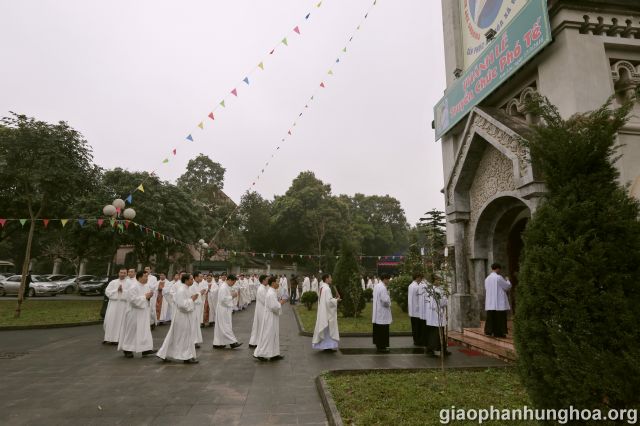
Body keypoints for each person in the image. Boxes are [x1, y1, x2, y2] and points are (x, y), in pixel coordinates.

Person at [156, 273, 199, 364]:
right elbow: (182, 305)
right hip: (181, 316)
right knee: (182, 336)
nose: (193, 281)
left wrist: (191, 299)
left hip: (185, 316)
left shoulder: (186, 289)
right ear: (186, 280)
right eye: (191, 279)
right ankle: (185, 356)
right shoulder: (181, 290)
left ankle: (164, 353)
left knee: (179, 336)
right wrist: (192, 300)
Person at [118, 271, 155, 358]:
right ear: (139, 277)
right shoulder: (133, 287)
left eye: (147, 277)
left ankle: (146, 349)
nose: (147, 278)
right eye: (145, 276)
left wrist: (149, 297)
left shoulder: (147, 286)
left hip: (143, 312)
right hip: (134, 312)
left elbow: (147, 299)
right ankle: (127, 349)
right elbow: (133, 300)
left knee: (144, 330)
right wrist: (145, 297)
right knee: (132, 331)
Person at [254, 276, 286, 361]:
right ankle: (260, 353)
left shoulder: (272, 291)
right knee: (268, 335)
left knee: (274, 335)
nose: (278, 284)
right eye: (277, 282)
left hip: (272, 317)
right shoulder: (271, 293)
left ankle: (274, 353)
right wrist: (281, 303)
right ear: (273, 283)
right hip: (270, 317)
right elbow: (274, 307)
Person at [213, 274, 243, 349]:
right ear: (229, 280)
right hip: (223, 309)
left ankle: (219, 343)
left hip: (225, 309)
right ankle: (232, 342)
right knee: (225, 326)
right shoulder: (223, 287)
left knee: (223, 326)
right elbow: (223, 300)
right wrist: (232, 296)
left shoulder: (227, 286)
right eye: (233, 282)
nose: (233, 284)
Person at [312, 274, 340, 351]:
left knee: (325, 330)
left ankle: (325, 346)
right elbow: (329, 302)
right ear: (326, 279)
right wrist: (336, 300)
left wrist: (333, 299)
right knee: (328, 329)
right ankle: (327, 346)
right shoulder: (327, 289)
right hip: (327, 313)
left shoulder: (322, 287)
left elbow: (326, 301)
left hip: (323, 311)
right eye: (330, 278)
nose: (331, 279)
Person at [484, 263, 512, 338]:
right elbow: (507, 287)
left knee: (491, 317)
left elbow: (486, 289)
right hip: (499, 302)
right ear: (498, 269)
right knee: (500, 318)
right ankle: (499, 333)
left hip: (490, 302)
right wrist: (508, 280)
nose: (500, 271)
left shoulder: (487, 278)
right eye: (499, 269)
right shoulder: (498, 277)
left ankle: (489, 331)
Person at [103, 268, 129, 345]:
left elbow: (131, 293)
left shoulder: (129, 283)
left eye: (124, 273)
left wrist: (123, 291)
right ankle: (108, 338)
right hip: (113, 304)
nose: (122, 274)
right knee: (110, 320)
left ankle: (118, 339)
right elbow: (107, 292)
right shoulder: (113, 282)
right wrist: (116, 290)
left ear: (126, 274)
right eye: (121, 272)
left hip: (123, 305)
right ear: (118, 273)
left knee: (120, 321)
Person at [424, 280, 450, 357]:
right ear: (434, 281)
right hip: (435, 314)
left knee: (438, 332)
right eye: (437, 280)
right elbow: (438, 303)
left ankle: (442, 349)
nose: (439, 281)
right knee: (435, 332)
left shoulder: (436, 289)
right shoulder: (434, 290)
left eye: (439, 280)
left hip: (435, 314)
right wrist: (445, 300)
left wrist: (445, 299)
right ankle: (432, 349)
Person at [372, 273, 392, 353]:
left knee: (378, 329)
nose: (389, 281)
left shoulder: (377, 286)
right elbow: (385, 300)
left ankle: (378, 344)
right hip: (383, 311)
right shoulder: (383, 288)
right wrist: (389, 303)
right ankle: (382, 346)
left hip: (377, 311)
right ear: (385, 279)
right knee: (383, 330)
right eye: (388, 280)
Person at [249, 275, 269, 349]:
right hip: (261, 310)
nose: (268, 281)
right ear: (263, 280)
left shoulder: (264, 288)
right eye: (267, 280)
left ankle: (256, 342)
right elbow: (265, 301)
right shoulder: (261, 289)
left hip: (261, 309)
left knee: (259, 326)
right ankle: (256, 342)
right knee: (260, 325)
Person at [408, 273, 424, 346]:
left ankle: (416, 340)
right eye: (420, 278)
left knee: (414, 327)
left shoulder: (411, 285)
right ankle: (418, 341)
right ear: (417, 277)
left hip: (413, 310)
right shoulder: (416, 287)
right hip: (417, 310)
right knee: (418, 327)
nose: (421, 280)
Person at [190, 272, 205, 348]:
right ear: (195, 277)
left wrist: (200, 293)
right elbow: (192, 296)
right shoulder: (192, 285)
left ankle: (195, 340)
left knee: (196, 324)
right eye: (200, 276)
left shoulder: (198, 285)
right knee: (193, 324)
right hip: (194, 307)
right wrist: (200, 293)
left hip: (198, 307)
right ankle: (193, 341)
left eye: (202, 276)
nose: (201, 278)